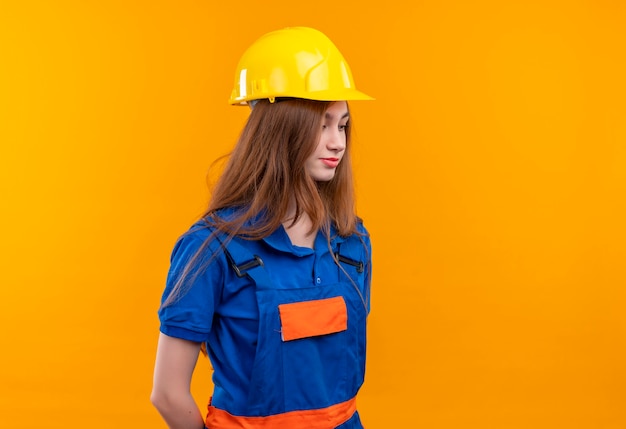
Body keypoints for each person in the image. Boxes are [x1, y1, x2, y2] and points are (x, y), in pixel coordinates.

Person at [150, 26, 374, 429]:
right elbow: (167, 393)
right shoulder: (211, 249)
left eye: (342, 125)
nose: (338, 142)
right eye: (322, 124)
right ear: (279, 131)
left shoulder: (352, 240)